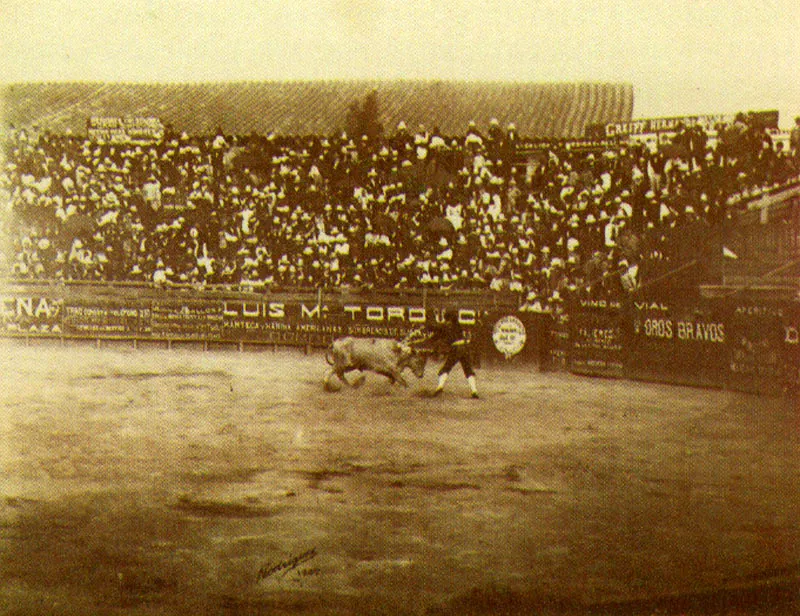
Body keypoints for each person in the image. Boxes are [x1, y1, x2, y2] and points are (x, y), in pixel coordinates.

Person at [428, 309, 479, 398]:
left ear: (447, 318)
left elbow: (435, 330)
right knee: (468, 370)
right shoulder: (457, 325)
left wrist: (430, 322)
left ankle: (439, 387)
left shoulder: (446, 326)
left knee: (446, 368)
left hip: (456, 348)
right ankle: (474, 391)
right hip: (465, 347)